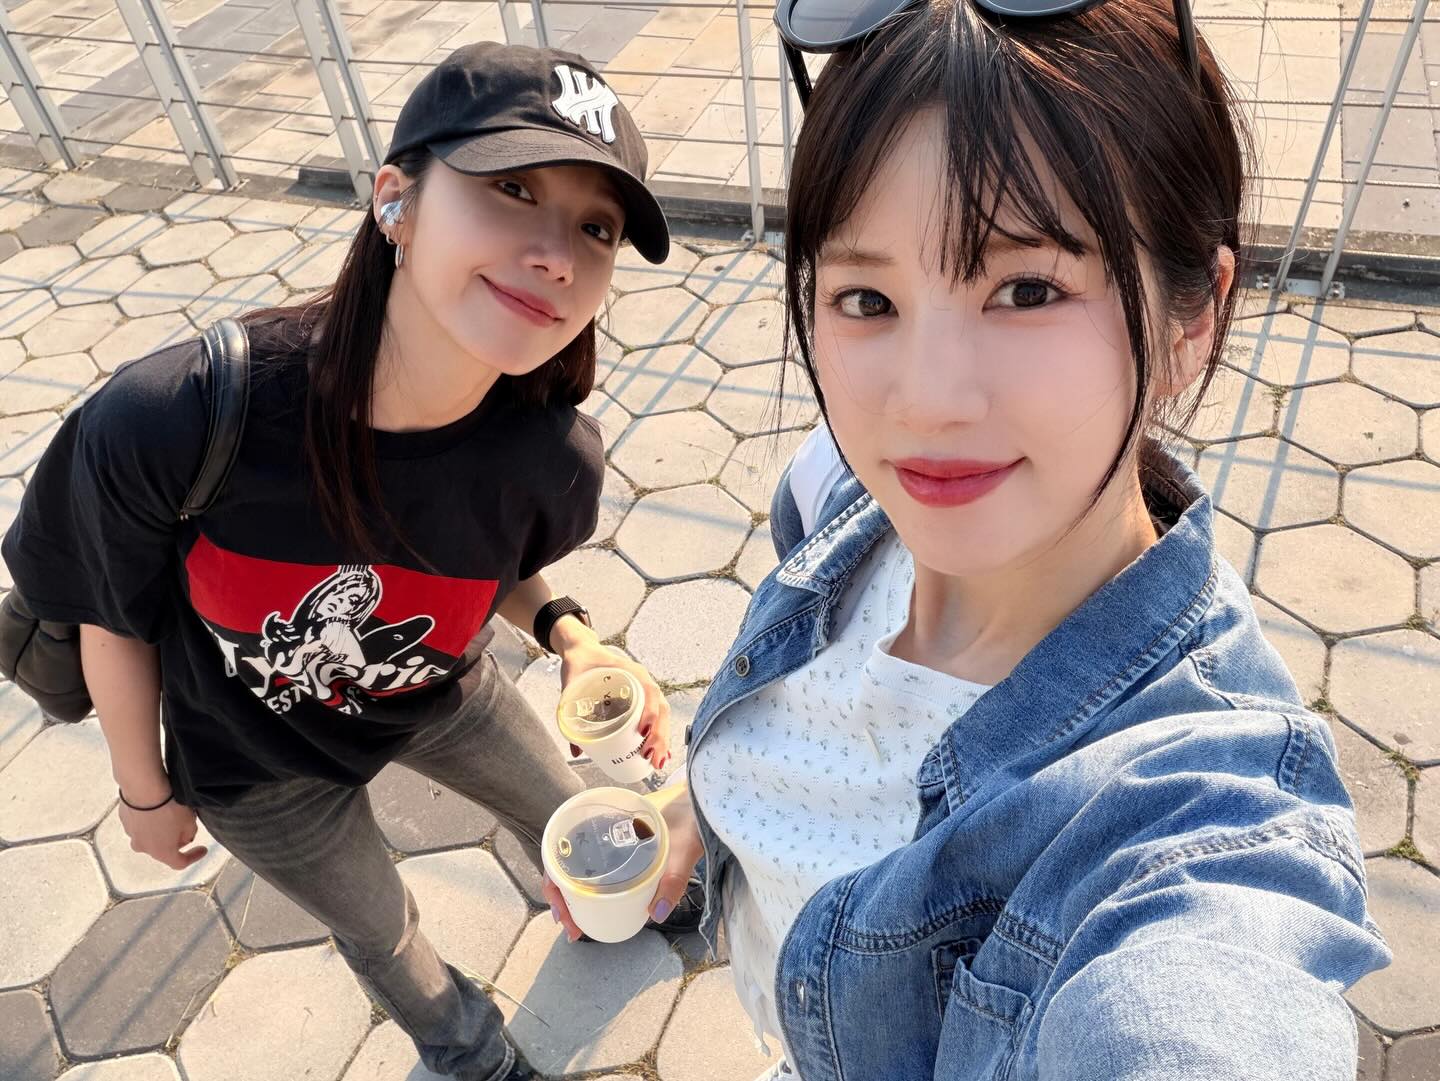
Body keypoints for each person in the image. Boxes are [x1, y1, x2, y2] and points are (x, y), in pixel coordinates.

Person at [545, 1, 1391, 1077]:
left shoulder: (1192, 806)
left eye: (1027, 289)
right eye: (867, 297)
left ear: (1193, 319)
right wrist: (696, 814)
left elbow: (1192, 1010)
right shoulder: (839, 496)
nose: (926, 402)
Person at [4, 41, 681, 1081]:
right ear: (394, 199)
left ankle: (636, 902)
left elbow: (484, 558)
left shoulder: (550, 456)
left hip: (441, 693)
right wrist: (144, 793)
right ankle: (470, 1055)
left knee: (576, 816)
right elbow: (113, 613)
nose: (557, 253)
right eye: (512, 189)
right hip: (255, 763)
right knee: (383, 930)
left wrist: (573, 638)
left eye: (596, 227)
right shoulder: (180, 415)